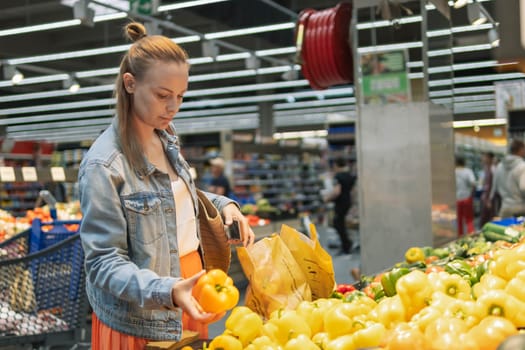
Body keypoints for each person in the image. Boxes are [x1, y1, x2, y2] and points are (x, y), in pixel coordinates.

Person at [77, 22, 255, 349]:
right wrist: (170, 291)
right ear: (130, 84)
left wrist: (223, 205)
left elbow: (176, 198)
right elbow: (103, 264)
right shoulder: (104, 165)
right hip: (143, 314)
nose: (172, 107)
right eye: (162, 96)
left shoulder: (166, 138)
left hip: (193, 293)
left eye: (180, 97)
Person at [323, 157, 355, 255]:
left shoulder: (338, 177)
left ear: (336, 165)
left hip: (340, 203)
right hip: (347, 202)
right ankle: (347, 243)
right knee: (340, 223)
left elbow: (337, 191)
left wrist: (327, 198)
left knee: (338, 223)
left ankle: (346, 245)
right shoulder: (349, 176)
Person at [491, 139, 525, 218]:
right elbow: (524, 188)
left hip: (504, 208)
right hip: (520, 209)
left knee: (506, 230)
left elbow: (495, 187)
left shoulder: (499, 166)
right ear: (520, 149)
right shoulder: (522, 166)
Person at [455, 156, 476, 236]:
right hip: (467, 198)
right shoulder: (468, 171)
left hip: (456, 199)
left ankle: (460, 236)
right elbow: (473, 183)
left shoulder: (453, 171)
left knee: (459, 220)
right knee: (469, 219)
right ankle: (471, 235)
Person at [479, 151, 495, 226]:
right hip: (485, 197)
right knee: (484, 218)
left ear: (490, 158)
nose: (483, 159)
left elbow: (493, 185)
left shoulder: (493, 169)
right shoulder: (486, 169)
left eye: (485, 157)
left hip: (489, 198)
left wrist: (489, 199)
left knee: (489, 218)